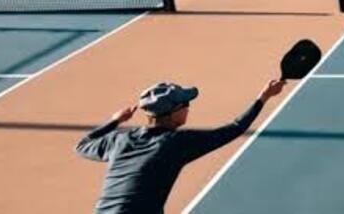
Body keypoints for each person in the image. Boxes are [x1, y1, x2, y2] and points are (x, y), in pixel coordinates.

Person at [76, 79, 286, 214]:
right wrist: (263, 98)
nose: (188, 108)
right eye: (186, 104)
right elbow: (235, 128)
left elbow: (83, 146)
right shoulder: (176, 143)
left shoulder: (120, 139)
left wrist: (115, 121)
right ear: (174, 112)